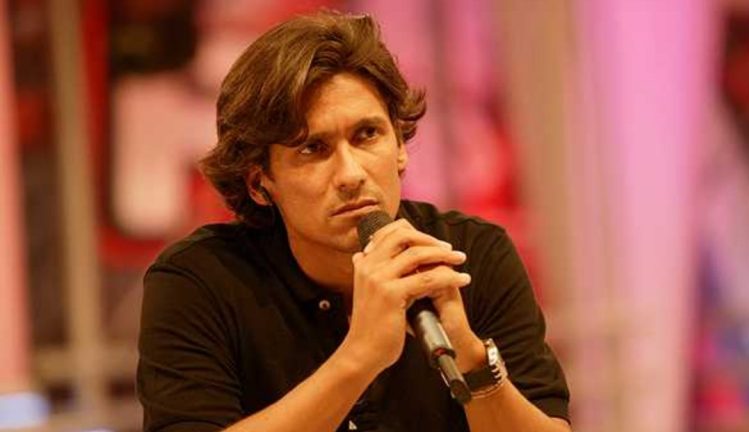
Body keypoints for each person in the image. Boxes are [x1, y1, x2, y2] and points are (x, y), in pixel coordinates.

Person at [137, 10, 570, 432]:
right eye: (312, 149)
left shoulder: (472, 257)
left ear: (400, 146)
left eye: (367, 135)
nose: (350, 174)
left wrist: (471, 359)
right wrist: (359, 356)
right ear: (258, 182)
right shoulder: (199, 282)